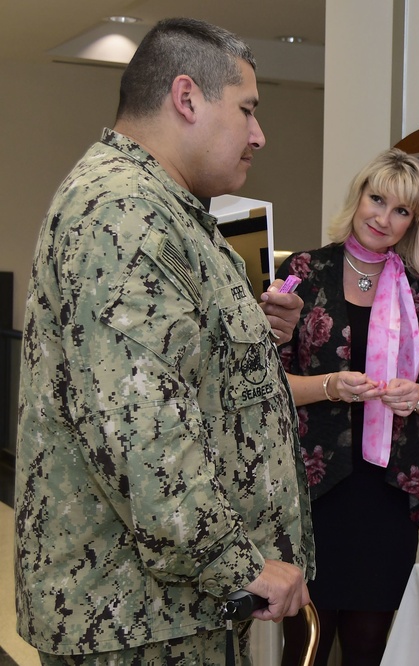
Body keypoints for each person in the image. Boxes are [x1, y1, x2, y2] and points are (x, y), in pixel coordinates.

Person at [14, 18, 314, 665]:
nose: (258, 135)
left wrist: (253, 343)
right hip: (132, 621)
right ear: (186, 98)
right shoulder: (124, 213)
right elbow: (140, 435)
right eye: (247, 110)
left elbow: (168, 370)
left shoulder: (165, 208)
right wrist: (238, 563)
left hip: (164, 611)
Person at [275, 148, 419, 666]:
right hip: (315, 492)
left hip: (388, 494)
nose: (384, 218)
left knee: (366, 649)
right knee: (305, 648)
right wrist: (330, 386)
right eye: (377, 200)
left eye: (401, 210)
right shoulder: (303, 272)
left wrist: (417, 397)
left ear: (414, 221)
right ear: (358, 198)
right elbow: (266, 385)